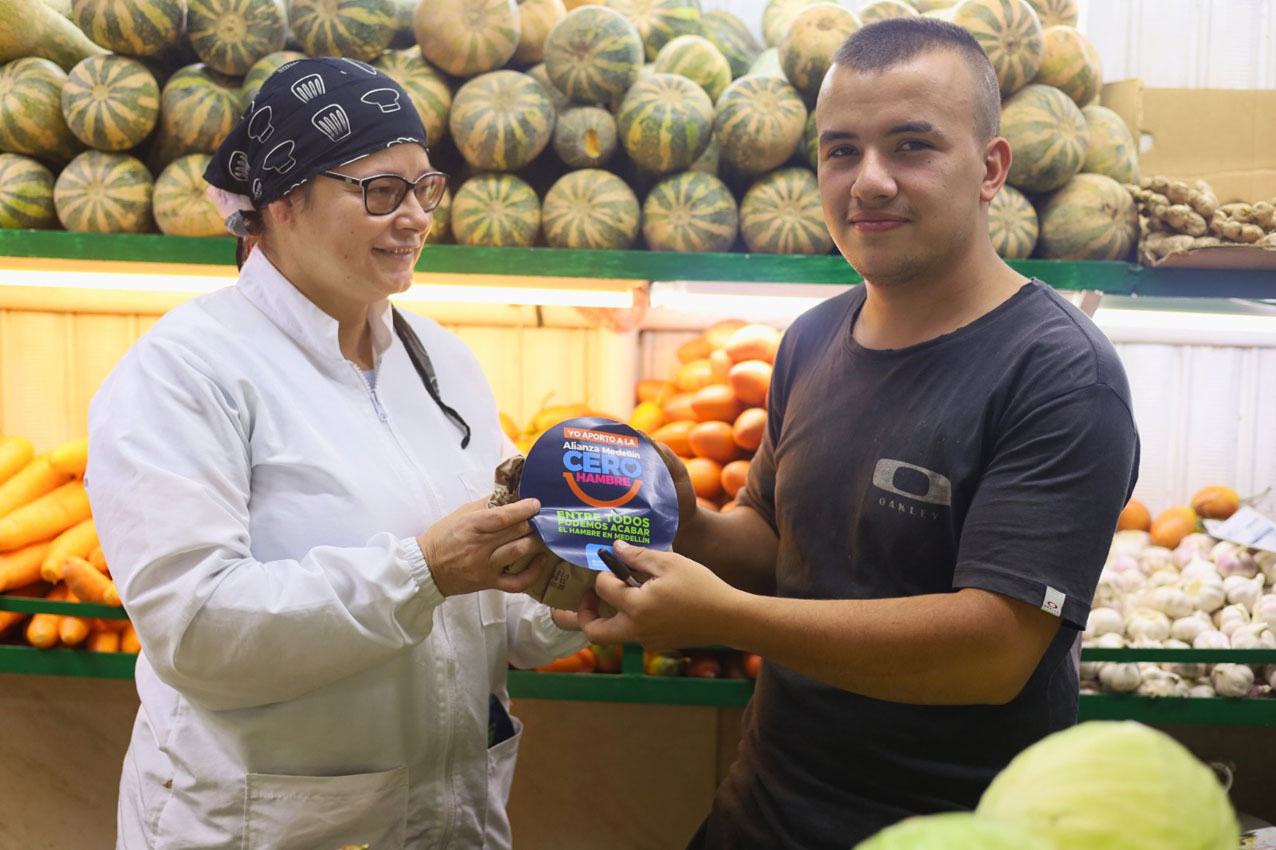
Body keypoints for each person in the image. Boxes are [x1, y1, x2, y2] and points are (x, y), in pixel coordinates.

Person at [579, 18, 1141, 849]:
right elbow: (777, 545)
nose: (867, 181)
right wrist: (685, 522)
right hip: (762, 815)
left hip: (952, 833)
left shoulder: (1059, 372)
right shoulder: (812, 338)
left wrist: (729, 617)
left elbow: (993, 650)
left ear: (990, 170)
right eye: (840, 151)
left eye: (911, 146)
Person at [85, 57, 587, 850]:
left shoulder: (446, 366)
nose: (416, 218)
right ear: (284, 201)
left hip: (446, 818)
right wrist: (423, 570)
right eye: (380, 192)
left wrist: (572, 584)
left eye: (425, 189)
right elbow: (196, 631)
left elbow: (505, 619)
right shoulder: (184, 370)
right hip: (261, 824)